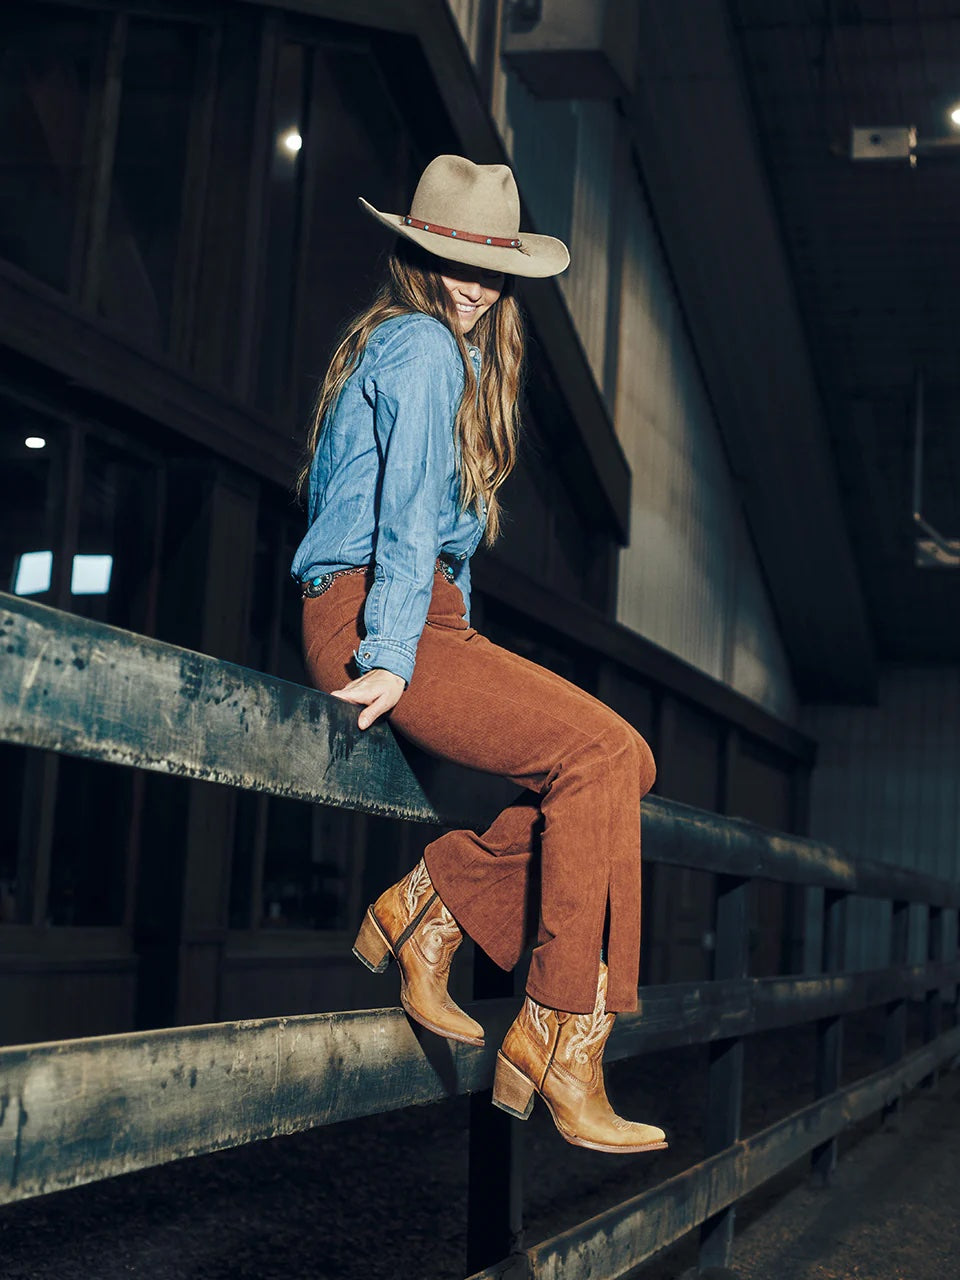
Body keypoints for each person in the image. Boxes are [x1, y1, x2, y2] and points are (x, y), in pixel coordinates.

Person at [292, 154, 666, 1154]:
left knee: (624, 756)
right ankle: (557, 1031)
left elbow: (442, 549)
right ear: (417, 251)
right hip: (381, 611)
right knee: (599, 754)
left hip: (423, 617)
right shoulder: (418, 345)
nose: (471, 281)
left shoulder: (441, 358)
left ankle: (435, 902)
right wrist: (390, 654)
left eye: (491, 268)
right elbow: (407, 524)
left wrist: (437, 642)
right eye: (450, 256)